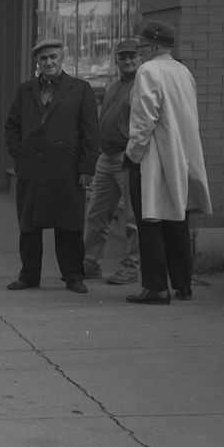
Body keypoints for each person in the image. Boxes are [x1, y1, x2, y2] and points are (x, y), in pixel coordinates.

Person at [124, 19, 212, 304]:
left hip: (154, 158)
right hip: (182, 156)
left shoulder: (148, 71)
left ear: (151, 46)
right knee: (177, 219)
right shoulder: (183, 71)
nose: (138, 50)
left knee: (150, 221)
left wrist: (132, 154)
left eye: (141, 45)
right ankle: (183, 283)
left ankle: (155, 286)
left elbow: (143, 119)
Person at [5, 39, 100, 294]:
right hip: (32, 168)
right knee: (29, 225)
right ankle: (29, 276)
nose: (49, 62)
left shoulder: (80, 89)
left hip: (66, 170)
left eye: (53, 57)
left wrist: (86, 168)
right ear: (37, 62)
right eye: (43, 58)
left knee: (69, 224)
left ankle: (73, 276)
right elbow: (12, 126)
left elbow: (91, 133)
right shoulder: (25, 91)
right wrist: (19, 153)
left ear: (62, 59)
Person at [82, 38, 141, 284]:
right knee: (96, 214)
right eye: (122, 57)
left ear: (140, 59)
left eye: (132, 56)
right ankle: (90, 262)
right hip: (106, 158)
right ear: (116, 60)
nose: (127, 60)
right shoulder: (114, 87)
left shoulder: (142, 87)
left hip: (127, 159)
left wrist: (132, 154)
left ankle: (131, 267)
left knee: (133, 218)